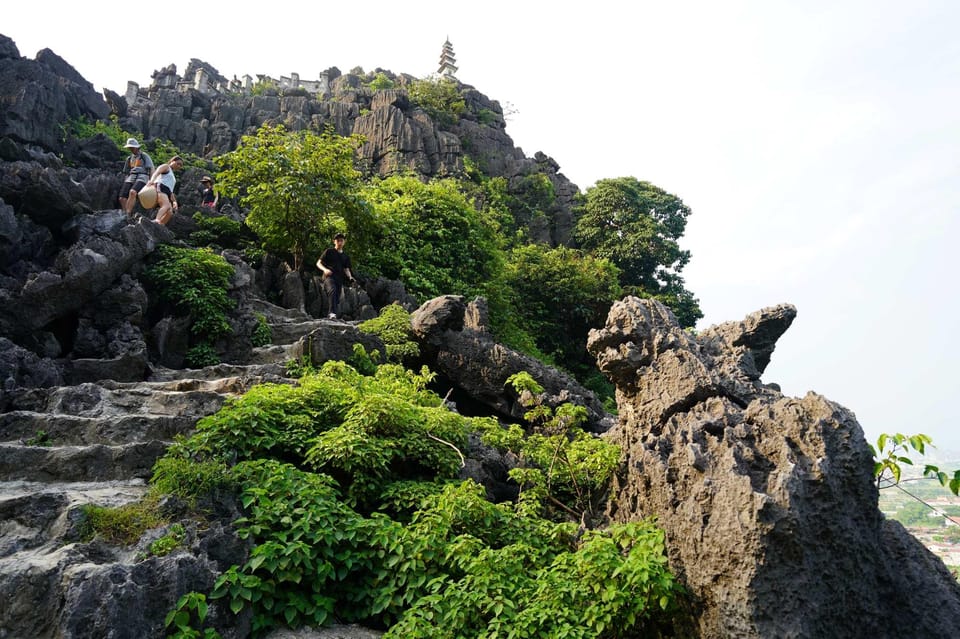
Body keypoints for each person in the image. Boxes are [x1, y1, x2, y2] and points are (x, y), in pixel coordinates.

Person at [316, 232, 355, 319]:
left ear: (344, 242)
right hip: (328, 277)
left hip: (339, 279)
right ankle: (332, 313)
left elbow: (346, 269)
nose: (340, 242)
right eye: (338, 240)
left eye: (341, 240)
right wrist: (325, 270)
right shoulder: (329, 251)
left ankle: (331, 315)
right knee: (332, 290)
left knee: (336, 298)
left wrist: (350, 277)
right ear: (334, 241)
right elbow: (318, 263)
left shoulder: (345, 256)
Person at [118, 138, 154, 215]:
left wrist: (151, 181)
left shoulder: (144, 156)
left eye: (132, 147)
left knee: (133, 192)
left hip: (142, 176)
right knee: (122, 197)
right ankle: (125, 214)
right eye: (130, 148)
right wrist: (126, 180)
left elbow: (151, 168)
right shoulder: (129, 158)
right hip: (131, 177)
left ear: (137, 147)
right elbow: (126, 171)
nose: (131, 149)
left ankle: (128, 213)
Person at [146, 156, 184, 225]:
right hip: (161, 187)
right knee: (165, 205)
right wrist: (151, 181)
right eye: (178, 163)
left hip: (167, 191)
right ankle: (157, 220)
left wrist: (174, 201)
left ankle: (161, 224)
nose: (179, 166)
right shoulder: (166, 167)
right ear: (172, 161)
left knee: (169, 212)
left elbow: (171, 191)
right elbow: (157, 172)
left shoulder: (172, 175)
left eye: (180, 165)